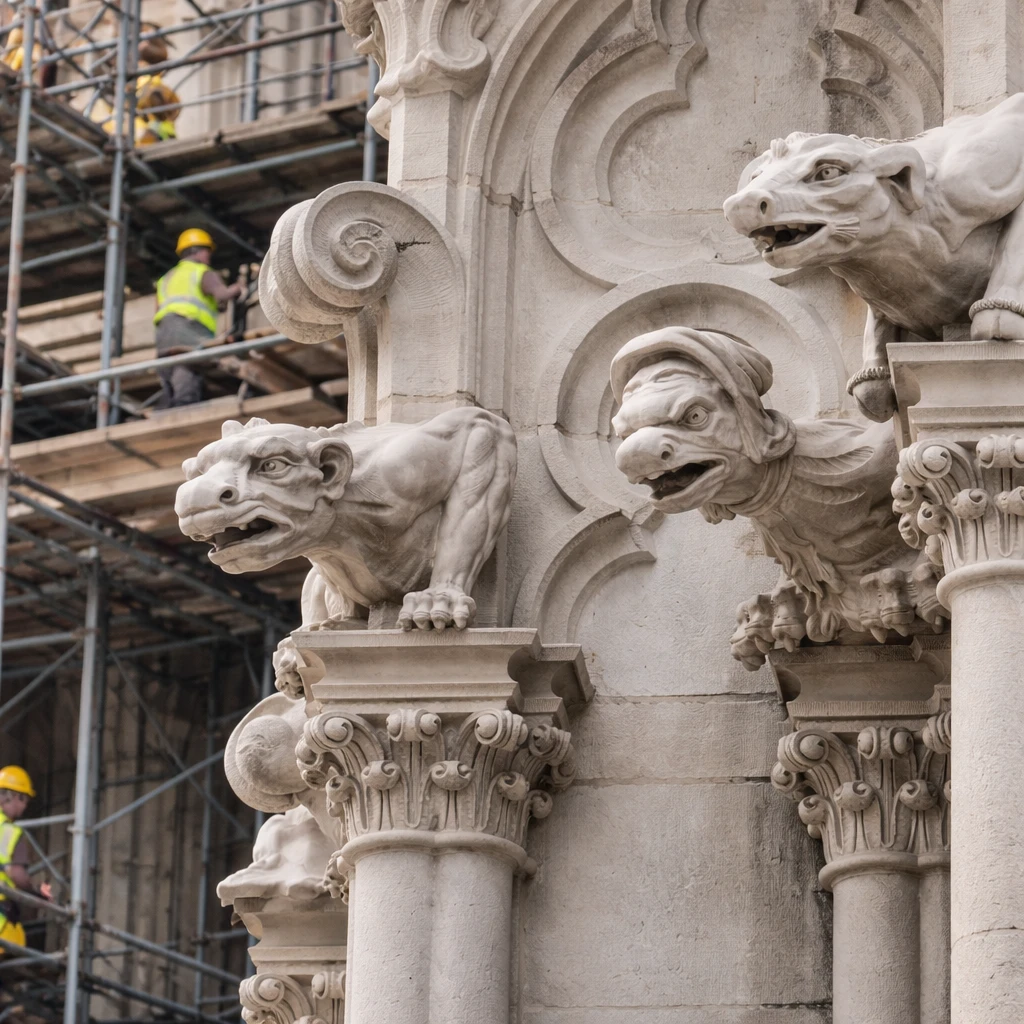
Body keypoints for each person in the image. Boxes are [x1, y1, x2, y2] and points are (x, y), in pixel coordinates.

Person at [154, 229, 244, 408]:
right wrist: (239, 287)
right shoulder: (202, 271)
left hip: (163, 332)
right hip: (189, 328)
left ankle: (165, 410)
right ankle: (183, 411)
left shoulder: (166, 278)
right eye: (207, 251)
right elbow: (223, 294)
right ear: (198, 251)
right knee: (188, 368)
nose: (209, 256)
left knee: (169, 373)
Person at [0, 766, 51, 950]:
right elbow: (16, 874)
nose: (25, 806)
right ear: (12, 796)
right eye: (24, 800)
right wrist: (36, 894)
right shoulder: (10, 832)